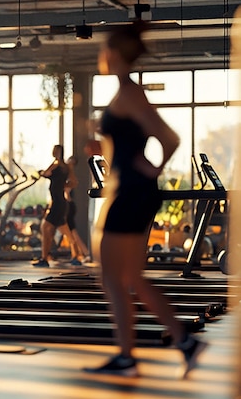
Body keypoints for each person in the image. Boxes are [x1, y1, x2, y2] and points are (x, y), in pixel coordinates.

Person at [84, 22, 207, 378]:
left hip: (132, 192)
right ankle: (185, 342)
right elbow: (129, 144)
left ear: (116, 54)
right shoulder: (125, 93)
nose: (101, 56)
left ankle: (126, 357)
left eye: (105, 49)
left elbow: (169, 138)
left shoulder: (129, 93)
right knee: (131, 278)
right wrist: (106, 147)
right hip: (132, 189)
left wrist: (153, 168)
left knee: (111, 277)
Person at [33, 144, 74, 267]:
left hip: (57, 202)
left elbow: (46, 173)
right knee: (63, 230)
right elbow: (74, 182)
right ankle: (76, 254)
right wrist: (62, 185)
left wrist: (40, 173)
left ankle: (44, 258)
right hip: (61, 201)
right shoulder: (66, 167)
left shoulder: (55, 164)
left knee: (45, 228)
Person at [65, 155, 90, 265]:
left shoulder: (70, 176)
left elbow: (66, 192)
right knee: (70, 233)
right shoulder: (67, 174)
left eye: (72, 163)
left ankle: (85, 253)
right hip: (67, 205)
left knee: (72, 233)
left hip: (68, 206)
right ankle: (78, 254)